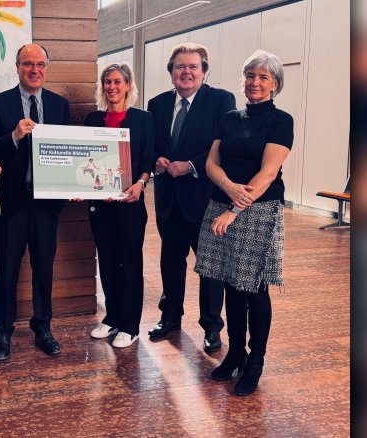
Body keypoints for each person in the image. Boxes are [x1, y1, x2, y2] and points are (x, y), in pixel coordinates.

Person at [195, 50, 294, 396]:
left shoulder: (281, 121)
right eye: (251, 75)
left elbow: (268, 173)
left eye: (263, 77)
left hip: (257, 211)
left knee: (252, 287)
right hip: (221, 202)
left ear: (275, 84)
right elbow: (211, 163)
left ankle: (255, 361)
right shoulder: (229, 117)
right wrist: (227, 188)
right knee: (228, 282)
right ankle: (235, 352)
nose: (255, 82)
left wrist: (233, 209)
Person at [0, 43, 72, 361]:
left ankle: (43, 328)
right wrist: (14, 137)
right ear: (17, 67)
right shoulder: (0, 104)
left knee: (43, 267)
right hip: (12, 203)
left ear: (47, 68)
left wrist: (71, 187)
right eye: (28, 64)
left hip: (47, 204)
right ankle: (3, 333)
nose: (35, 70)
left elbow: (70, 151)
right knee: (7, 269)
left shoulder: (60, 105)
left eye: (41, 64)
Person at [146, 43, 236, 353]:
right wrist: (156, 158)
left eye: (193, 67)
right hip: (169, 200)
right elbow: (152, 144)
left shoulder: (222, 101)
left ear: (204, 71)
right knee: (171, 262)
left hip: (206, 199)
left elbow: (226, 145)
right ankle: (170, 318)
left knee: (210, 267)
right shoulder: (156, 104)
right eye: (179, 67)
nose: (186, 72)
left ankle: (212, 327)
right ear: (171, 72)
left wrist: (193, 165)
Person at [83, 63, 154, 348]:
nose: (111, 87)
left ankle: (130, 325)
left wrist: (141, 182)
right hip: (100, 206)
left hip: (130, 204)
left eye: (117, 82)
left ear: (127, 85)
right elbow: (84, 160)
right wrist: (78, 187)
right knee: (108, 261)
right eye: (107, 83)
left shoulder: (143, 119)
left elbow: (148, 159)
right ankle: (112, 317)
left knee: (130, 262)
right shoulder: (92, 119)